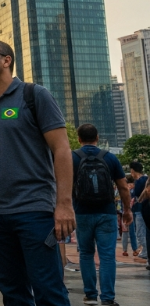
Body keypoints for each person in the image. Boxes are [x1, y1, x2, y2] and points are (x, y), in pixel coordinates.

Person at [0, 39, 74, 305]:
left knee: (48, 289)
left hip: (34, 209)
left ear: (7, 60)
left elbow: (62, 149)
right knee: (12, 292)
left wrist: (63, 204)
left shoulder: (33, 95)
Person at [72, 124, 131, 306]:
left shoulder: (71, 158)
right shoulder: (110, 158)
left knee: (86, 254)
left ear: (79, 138)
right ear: (97, 137)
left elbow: (62, 186)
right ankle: (108, 298)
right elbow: (122, 187)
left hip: (82, 213)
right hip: (107, 213)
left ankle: (90, 295)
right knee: (107, 256)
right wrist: (127, 209)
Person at [130, 162, 148, 261]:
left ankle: (146, 251)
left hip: (140, 209)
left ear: (132, 170)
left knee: (140, 232)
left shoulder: (140, 181)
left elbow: (137, 196)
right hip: (143, 209)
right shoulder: (145, 179)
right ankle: (145, 250)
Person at [134, 162, 150, 270]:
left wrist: (139, 200)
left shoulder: (143, 181)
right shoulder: (146, 178)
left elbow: (145, 191)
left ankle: (149, 259)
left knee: (147, 233)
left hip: (146, 208)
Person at [123, 175, 138, 257]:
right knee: (132, 232)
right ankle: (134, 249)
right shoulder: (132, 191)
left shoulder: (125, 190)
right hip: (130, 212)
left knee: (127, 232)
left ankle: (127, 250)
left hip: (125, 212)